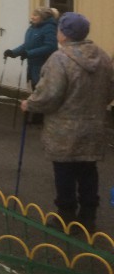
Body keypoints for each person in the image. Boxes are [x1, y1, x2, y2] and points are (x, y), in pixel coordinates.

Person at [20, 12, 114, 234]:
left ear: (64, 34)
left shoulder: (59, 59)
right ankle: (88, 217)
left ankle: (66, 216)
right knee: (88, 169)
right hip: (93, 126)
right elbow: (109, 90)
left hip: (64, 128)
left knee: (65, 171)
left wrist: (30, 104)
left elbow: (48, 95)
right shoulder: (102, 56)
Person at [4, 6, 59, 125]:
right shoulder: (33, 28)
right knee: (36, 90)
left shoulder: (49, 28)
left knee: (41, 91)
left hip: (43, 65)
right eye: (32, 15)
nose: (32, 17)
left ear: (43, 17)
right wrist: (13, 52)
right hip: (33, 64)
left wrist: (29, 53)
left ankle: (40, 119)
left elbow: (50, 47)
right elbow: (27, 45)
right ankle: (37, 118)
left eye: (35, 15)